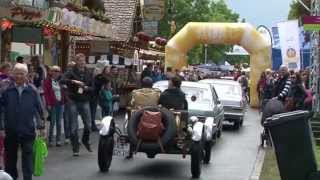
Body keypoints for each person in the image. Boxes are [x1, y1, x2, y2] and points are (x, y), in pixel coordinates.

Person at [0, 63, 45, 180]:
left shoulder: (33, 90)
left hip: (28, 130)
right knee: (10, 160)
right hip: (11, 130)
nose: (19, 76)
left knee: (28, 159)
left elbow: (39, 109)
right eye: (16, 73)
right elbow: (1, 111)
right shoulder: (6, 90)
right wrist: (1, 128)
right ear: (12, 74)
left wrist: (41, 126)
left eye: (22, 73)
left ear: (26, 75)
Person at [61, 53, 93, 156]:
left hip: (84, 99)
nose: (82, 63)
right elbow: (62, 80)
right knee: (74, 127)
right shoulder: (71, 71)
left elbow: (93, 87)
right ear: (76, 61)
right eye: (80, 61)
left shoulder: (89, 72)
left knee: (88, 125)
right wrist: (73, 81)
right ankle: (75, 148)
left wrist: (87, 88)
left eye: (83, 61)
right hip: (73, 100)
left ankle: (85, 140)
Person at [43, 66, 64, 147]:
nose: (56, 73)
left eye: (58, 71)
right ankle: (51, 140)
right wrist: (48, 104)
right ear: (51, 72)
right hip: (53, 104)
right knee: (53, 122)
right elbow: (46, 93)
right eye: (54, 71)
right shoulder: (47, 81)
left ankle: (58, 140)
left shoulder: (61, 81)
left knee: (59, 123)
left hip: (60, 103)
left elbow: (64, 91)